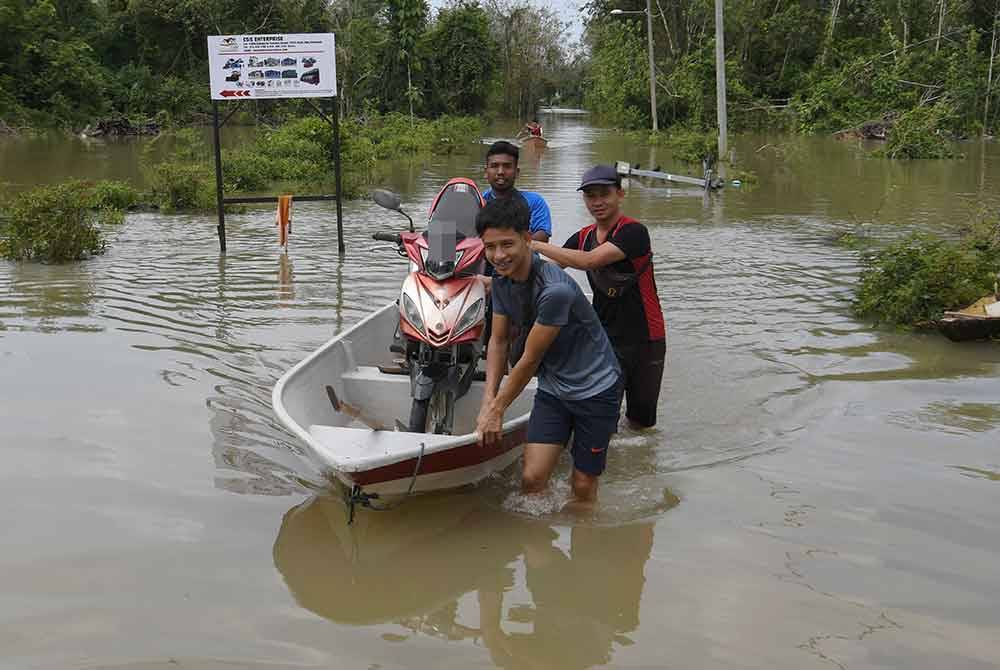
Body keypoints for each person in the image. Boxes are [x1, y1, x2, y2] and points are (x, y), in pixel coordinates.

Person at [475, 196, 622, 504]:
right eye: (490, 247)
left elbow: (529, 359)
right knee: (532, 479)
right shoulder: (501, 281)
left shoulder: (554, 291)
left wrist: (497, 410)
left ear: (528, 239)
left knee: (582, 486)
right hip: (555, 387)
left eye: (507, 244)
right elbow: (499, 341)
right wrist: (488, 399)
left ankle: (585, 543)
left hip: (596, 389)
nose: (499, 256)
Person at [530, 164, 666, 429]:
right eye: (591, 196)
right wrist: (493, 280)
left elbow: (589, 261)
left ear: (620, 194)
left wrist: (534, 244)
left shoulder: (634, 232)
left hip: (646, 339)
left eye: (604, 194)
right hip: (603, 340)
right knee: (602, 418)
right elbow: (545, 271)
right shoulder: (582, 237)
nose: (598, 202)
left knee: (641, 424)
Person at [482, 141, 551, 243]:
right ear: (486, 172)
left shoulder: (534, 201)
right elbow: (454, 231)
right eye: (494, 166)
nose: (500, 172)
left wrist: (511, 246)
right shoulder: (478, 201)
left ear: (517, 172)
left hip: (524, 257)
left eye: (507, 166)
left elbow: (543, 236)